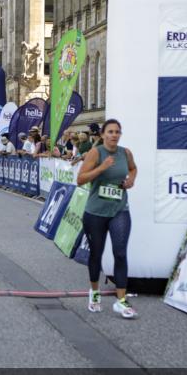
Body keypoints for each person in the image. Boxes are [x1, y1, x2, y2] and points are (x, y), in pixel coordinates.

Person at [76, 119, 137, 319]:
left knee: (120, 253)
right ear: (103, 134)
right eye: (110, 132)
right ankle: (94, 292)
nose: (114, 135)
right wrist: (101, 168)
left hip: (119, 209)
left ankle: (121, 300)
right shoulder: (96, 153)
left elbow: (133, 168)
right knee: (96, 253)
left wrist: (131, 180)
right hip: (96, 212)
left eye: (117, 132)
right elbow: (80, 179)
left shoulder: (125, 153)